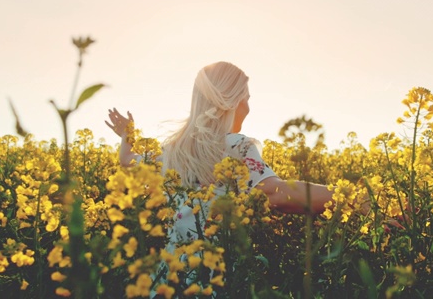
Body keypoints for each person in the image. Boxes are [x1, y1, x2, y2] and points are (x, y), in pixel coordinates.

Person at [105, 61, 375, 242]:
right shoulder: (236, 146)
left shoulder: (173, 152)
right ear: (231, 101)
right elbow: (276, 194)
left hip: (170, 278)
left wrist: (127, 136)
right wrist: (355, 199)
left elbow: (128, 163)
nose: (248, 106)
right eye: (246, 97)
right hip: (216, 279)